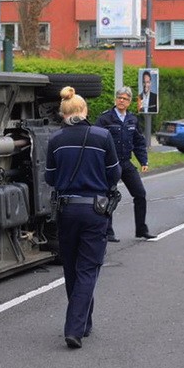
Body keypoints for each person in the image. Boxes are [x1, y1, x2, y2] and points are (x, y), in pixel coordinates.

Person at [45, 86, 121, 349]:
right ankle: (74, 328)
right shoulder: (102, 136)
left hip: (66, 210)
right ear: (85, 111)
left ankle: (84, 322)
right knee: (88, 269)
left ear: (63, 113)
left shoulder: (55, 140)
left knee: (71, 268)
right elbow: (114, 174)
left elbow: (50, 178)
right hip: (95, 210)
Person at [94, 86, 156, 241]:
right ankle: (107, 231)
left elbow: (138, 142)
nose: (121, 101)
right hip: (109, 164)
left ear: (129, 102)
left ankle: (141, 229)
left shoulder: (132, 119)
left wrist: (143, 161)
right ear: (115, 99)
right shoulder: (105, 119)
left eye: (125, 99)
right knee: (108, 196)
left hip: (126, 162)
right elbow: (95, 141)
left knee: (140, 194)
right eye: (119, 98)